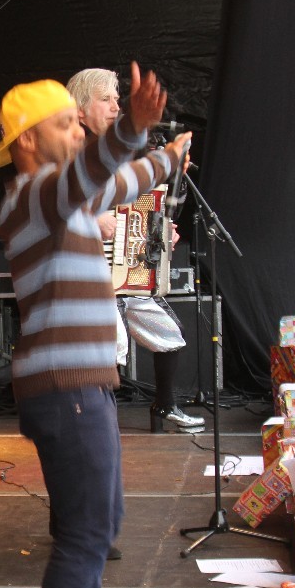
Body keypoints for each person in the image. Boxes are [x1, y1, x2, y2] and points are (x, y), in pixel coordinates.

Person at [0, 67, 188, 588]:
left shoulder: (60, 200)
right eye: (65, 124)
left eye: (80, 124)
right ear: (27, 141)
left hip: (83, 383)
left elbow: (116, 182)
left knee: (100, 519)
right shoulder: (33, 194)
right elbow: (94, 173)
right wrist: (132, 127)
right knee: (87, 529)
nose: (78, 132)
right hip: (66, 387)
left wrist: (166, 157)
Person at [68, 68, 204, 433]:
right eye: (105, 100)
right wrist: (90, 219)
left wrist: (163, 229)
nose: (116, 107)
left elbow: (147, 206)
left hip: (128, 271)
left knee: (169, 333)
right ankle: (98, 421)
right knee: (110, 345)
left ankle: (165, 406)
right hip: (88, 277)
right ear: (80, 110)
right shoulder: (66, 153)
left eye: (117, 99)